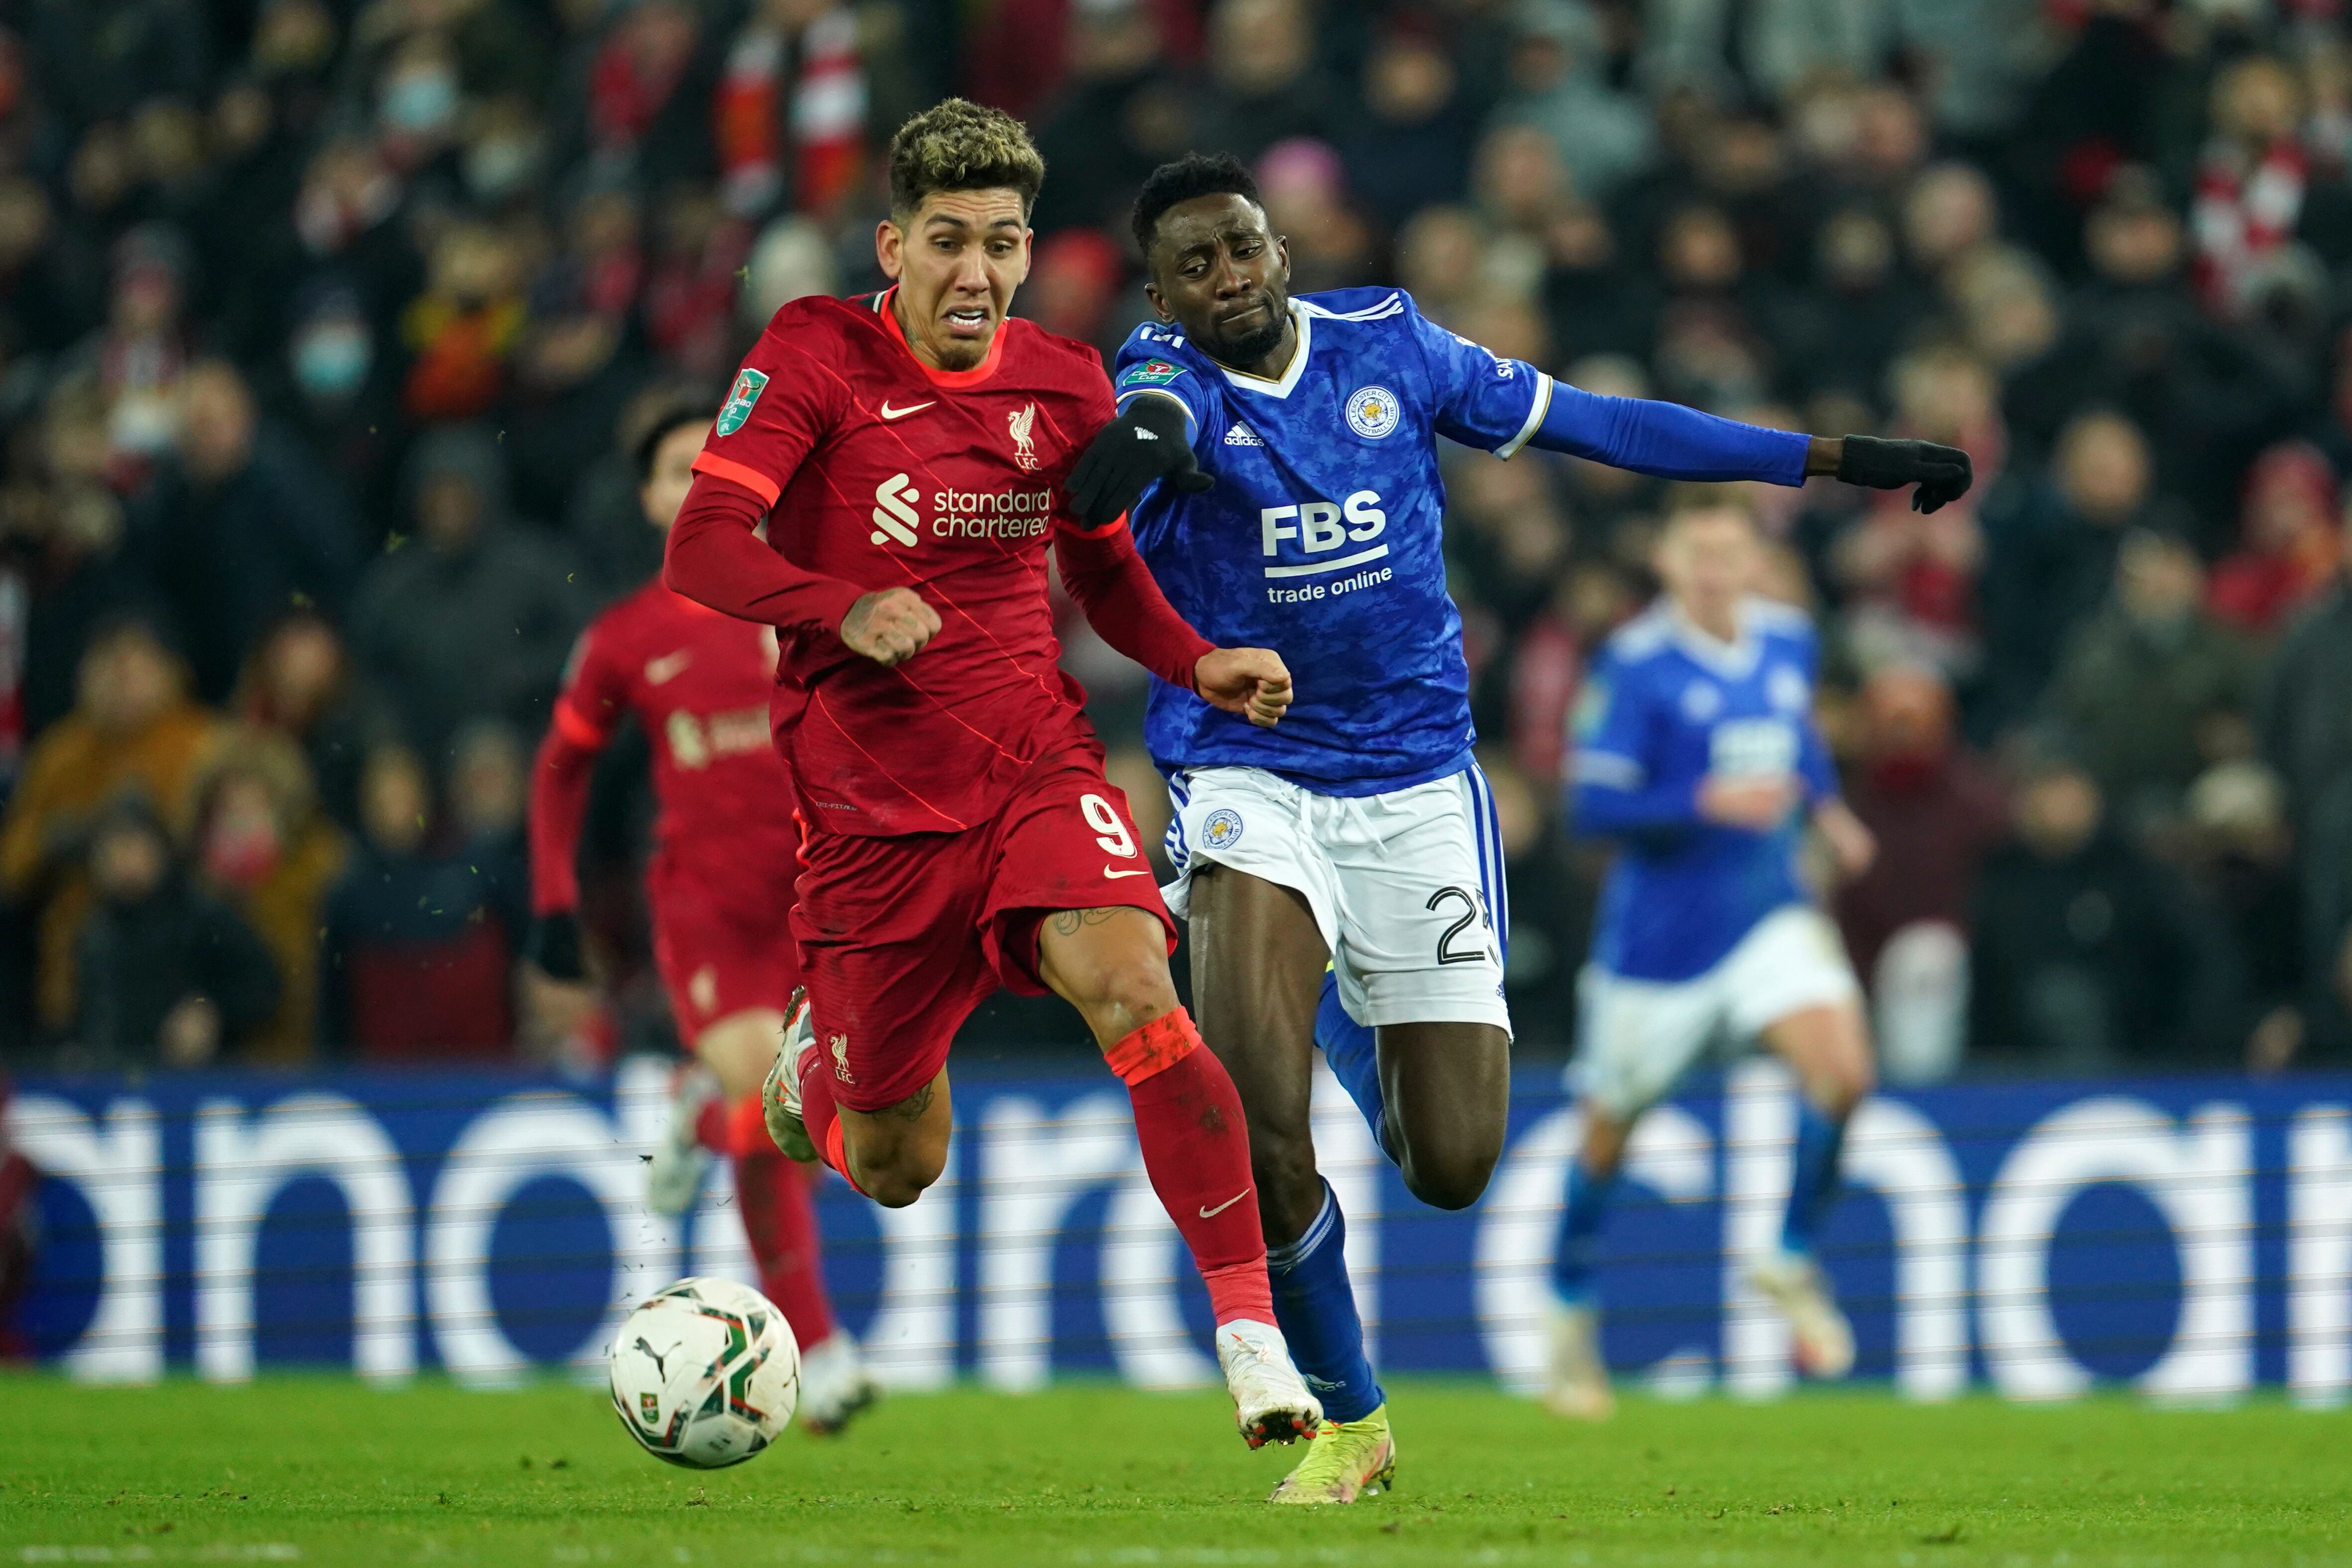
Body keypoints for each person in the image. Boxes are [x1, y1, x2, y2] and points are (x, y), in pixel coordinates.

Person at [1063, 153, 1966, 1499]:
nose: (1228, 276)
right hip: (1250, 772)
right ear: (1161, 290)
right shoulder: (1160, 378)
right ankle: (1351, 1417)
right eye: (1194, 264)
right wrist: (1118, 456)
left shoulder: (1390, 343)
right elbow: (1125, 457)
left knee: (1451, 1163)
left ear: (1278, 248)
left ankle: (1339, 1009)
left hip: (1420, 782)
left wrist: (1828, 459)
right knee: (1259, 1118)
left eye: (1242, 246)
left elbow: (1604, 425)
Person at [659, 101, 1323, 1455]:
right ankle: (813, 1078)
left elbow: (1099, 569)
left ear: (1029, 255)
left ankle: (1251, 1336)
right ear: (894, 245)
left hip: (1032, 760)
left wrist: (1193, 662)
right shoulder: (812, 352)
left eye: (1003, 243)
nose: (976, 269)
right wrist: (838, 605)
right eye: (949, 239)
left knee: (1138, 986)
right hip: (867, 816)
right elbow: (705, 544)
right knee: (898, 1164)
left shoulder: (1065, 381)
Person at [526, 398, 878, 1435]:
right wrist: (553, 906)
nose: (698, 485)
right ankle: (817, 1347)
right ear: (648, 499)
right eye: (678, 470)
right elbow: (559, 774)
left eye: (715, 467)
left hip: (826, 900)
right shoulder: (624, 637)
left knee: (803, 1128)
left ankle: (694, 1111)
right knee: (768, 1099)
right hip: (710, 911)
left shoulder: (817, 605)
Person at [1544, 493, 1880, 1418]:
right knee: (1609, 1132)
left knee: (1844, 1073)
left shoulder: (1787, 639)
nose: (1716, 569)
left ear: (1753, 560)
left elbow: (1797, 738)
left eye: (1731, 552)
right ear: (1668, 560)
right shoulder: (1636, 665)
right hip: (1658, 948)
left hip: (1767, 914)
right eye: (1698, 552)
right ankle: (1568, 1312)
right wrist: (1702, 801)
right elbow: (1590, 809)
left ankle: (1790, 1256)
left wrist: (1831, 810)